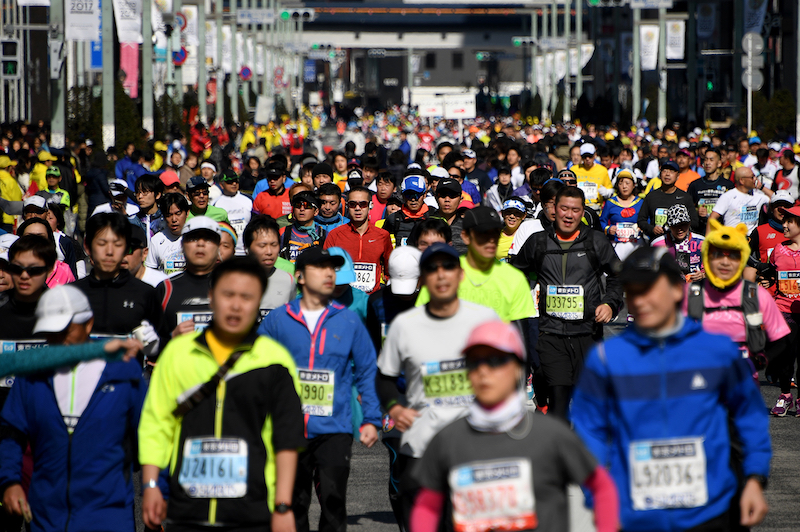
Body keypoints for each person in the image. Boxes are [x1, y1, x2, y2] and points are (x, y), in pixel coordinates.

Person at [573, 246, 771, 532]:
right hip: (634, 517)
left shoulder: (717, 352)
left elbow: (749, 417)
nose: (639, 299)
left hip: (712, 512)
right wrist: (599, 499)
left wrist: (754, 479)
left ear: (678, 290)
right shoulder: (606, 359)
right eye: (632, 290)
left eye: (650, 288)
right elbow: (587, 433)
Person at [139, 257, 305, 532]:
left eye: (247, 297)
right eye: (228, 294)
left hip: (253, 512)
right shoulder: (178, 353)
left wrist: (283, 505)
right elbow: (156, 422)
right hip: (186, 510)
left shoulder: (274, 359)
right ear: (211, 296)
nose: (237, 305)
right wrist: (151, 484)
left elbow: (286, 437)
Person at [409, 321, 619, 532]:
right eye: (474, 362)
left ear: (518, 367)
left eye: (495, 361)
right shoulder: (448, 439)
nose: (483, 371)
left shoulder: (551, 435)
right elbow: (427, 506)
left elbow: (601, 487)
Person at [0, 285, 146, 532]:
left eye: (65, 330)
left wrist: (153, 486)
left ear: (88, 323)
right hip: (46, 518)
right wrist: (10, 481)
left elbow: (148, 438)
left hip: (108, 516)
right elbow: (11, 432)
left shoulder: (124, 373)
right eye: (50, 332)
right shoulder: (31, 374)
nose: (58, 339)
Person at [258, 246, 381, 532]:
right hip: (290, 426)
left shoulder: (349, 320)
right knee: (295, 501)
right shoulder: (278, 320)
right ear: (299, 277)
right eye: (322, 269)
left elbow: (366, 369)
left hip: (334, 427)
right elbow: (257, 366)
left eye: (333, 269)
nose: (330, 275)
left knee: (334, 501)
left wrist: (372, 419)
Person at [376, 243, 499, 530]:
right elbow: (383, 376)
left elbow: (504, 377)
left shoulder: (483, 320)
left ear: (461, 275)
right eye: (432, 269)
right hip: (419, 438)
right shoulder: (404, 326)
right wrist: (394, 406)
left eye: (448, 268)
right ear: (423, 279)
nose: (441, 276)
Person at [511, 187, 623, 419]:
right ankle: (557, 448)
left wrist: (610, 304)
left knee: (587, 403)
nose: (569, 215)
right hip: (551, 333)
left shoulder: (596, 241)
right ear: (553, 208)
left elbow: (618, 276)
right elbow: (513, 274)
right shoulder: (538, 242)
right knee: (559, 400)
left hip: (588, 333)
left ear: (583, 212)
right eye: (564, 208)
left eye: (575, 210)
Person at [416, 206, 535, 325]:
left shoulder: (515, 278)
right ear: (465, 237)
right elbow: (421, 322)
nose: (491, 240)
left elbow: (522, 334)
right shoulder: (443, 274)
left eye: (495, 233)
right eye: (483, 234)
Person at [73, 213, 164, 358]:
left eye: (117, 244)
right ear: (88, 247)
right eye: (102, 244)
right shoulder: (72, 294)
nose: (109, 252)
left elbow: (162, 345)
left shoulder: (146, 293)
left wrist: (155, 348)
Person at [156, 217, 222, 336]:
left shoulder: (233, 288)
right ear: (182, 244)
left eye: (208, 239)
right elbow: (151, 344)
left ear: (218, 246)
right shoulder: (165, 289)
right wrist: (172, 337)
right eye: (193, 238)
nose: (200, 244)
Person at [324, 186, 393, 295]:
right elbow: (325, 268)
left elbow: (389, 271)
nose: (357, 208)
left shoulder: (383, 236)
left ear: (370, 205)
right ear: (347, 206)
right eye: (352, 204)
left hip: (371, 299)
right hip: (343, 299)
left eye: (362, 204)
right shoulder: (335, 235)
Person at [766, 204, 800, 415]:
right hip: (783, 309)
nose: (784, 225)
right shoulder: (778, 248)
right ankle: (785, 395)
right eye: (784, 221)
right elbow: (771, 272)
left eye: (789, 221)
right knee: (786, 355)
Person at [637, 160, 700, 240]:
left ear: (677, 176)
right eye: (665, 171)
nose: (667, 174)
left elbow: (694, 222)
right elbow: (641, 220)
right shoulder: (651, 196)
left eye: (671, 171)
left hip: (679, 244)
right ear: (660, 174)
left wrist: (680, 227)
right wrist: (652, 229)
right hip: (657, 242)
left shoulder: (685, 197)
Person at [748, 190, 794, 295]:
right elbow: (744, 252)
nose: (782, 209)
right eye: (778, 206)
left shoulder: (797, 233)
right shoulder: (760, 231)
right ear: (772, 208)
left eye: (786, 206)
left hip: (792, 292)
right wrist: (758, 265)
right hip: (767, 290)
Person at [652, 204, 706, 282]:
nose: (679, 229)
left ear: (689, 223)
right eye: (675, 225)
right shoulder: (657, 244)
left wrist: (703, 274)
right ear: (669, 226)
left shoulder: (701, 241)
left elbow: (711, 269)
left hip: (695, 286)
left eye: (683, 224)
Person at [710, 167, 771, 235]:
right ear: (742, 181)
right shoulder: (728, 196)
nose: (755, 179)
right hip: (733, 239)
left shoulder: (758, 196)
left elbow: (777, 199)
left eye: (755, 176)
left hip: (752, 241)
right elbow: (712, 218)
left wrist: (761, 187)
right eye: (752, 177)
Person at [600, 169, 645, 261]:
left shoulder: (641, 202)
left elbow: (647, 221)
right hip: (616, 244)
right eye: (621, 183)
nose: (624, 186)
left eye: (627, 183)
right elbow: (601, 221)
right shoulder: (610, 203)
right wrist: (608, 229)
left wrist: (643, 228)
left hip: (636, 244)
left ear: (634, 185)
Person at [17, 217, 75, 287]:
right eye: (29, 237)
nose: (34, 242)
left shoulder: (64, 271)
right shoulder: (12, 270)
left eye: (40, 237)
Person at [688, 147, 734, 233]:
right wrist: (697, 211)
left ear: (719, 163)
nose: (708, 163)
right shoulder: (694, 185)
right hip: (701, 232)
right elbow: (688, 208)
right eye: (706, 160)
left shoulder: (728, 185)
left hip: (722, 231)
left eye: (711, 160)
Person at [146, 193, 190, 276]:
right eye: (169, 215)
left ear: (187, 213)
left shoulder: (195, 238)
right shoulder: (156, 240)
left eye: (178, 214)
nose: (174, 219)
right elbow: (150, 273)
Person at [211, 169, 253, 256]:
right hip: (226, 254)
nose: (234, 184)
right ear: (221, 185)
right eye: (230, 182)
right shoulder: (215, 203)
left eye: (236, 181)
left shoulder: (248, 200)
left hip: (246, 252)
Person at [280, 190, 327, 262]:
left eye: (307, 205)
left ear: (316, 211)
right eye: (297, 205)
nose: (302, 209)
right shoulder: (283, 232)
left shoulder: (324, 235)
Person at [385, 175, 431, 247]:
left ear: (424, 195)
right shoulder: (393, 219)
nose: (413, 199)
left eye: (417, 195)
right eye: (409, 195)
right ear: (403, 196)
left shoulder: (433, 216)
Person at [428, 177, 468, 254]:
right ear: (436, 198)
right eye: (442, 195)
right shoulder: (425, 225)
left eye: (452, 195)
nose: (447, 199)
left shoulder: (468, 227)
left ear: (461, 200)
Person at [573, 143, 612, 213]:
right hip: (578, 206)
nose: (587, 159)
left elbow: (610, 188)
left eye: (590, 156)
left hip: (596, 207)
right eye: (585, 156)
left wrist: (607, 192)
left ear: (595, 155)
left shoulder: (602, 170)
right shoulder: (574, 169)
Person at [130, 174, 166, 247]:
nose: (140, 196)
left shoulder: (166, 219)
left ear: (158, 194)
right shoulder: (133, 221)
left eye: (145, 192)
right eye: (137, 192)